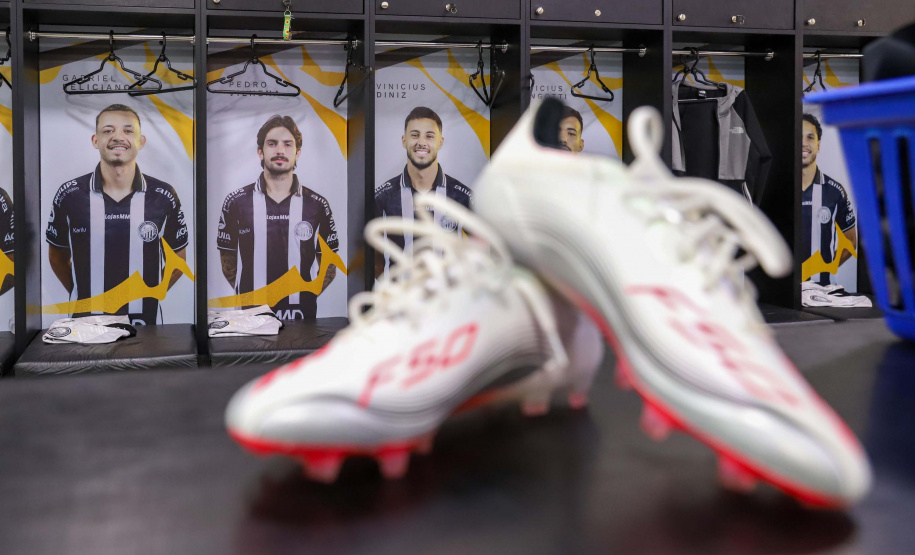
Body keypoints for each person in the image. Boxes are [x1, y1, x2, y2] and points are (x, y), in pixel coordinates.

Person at [46, 104, 188, 326]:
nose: (118, 137)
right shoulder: (69, 194)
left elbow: (178, 261)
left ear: (141, 141)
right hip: (85, 325)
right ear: (95, 140)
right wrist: (84, 294)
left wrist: (149, 294)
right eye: (108, 130)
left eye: (128, 131)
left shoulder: (163, 194)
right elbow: (57, 257)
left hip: (146, 325)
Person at [218, 115, 339, 321]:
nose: (280, 151)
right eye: (272, 144)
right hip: (251, 318)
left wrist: (305, 295)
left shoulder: (318, 204)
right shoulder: (236, 202)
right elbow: (228, 263)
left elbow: (329, 265)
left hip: (302, 318)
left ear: (298, 153)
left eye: (287, 144)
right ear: (260, 151)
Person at [374, 107, 472, 275]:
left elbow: (482, 249)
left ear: (440, 142)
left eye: (429, 136)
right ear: (404, 141)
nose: (421, 142)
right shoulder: (383, 197)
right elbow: (371, 256)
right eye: (415, 135)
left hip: (447, 291)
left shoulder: (462, 196)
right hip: (401, 291)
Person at [801, 113, 857, 286]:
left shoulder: (835, 191)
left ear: (818, 145)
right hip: (785, 293)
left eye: (810, 137)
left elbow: (850, 242)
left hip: (823, 291)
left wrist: (827, 268)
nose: (804, 143)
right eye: (799, 137)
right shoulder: (780, 188)